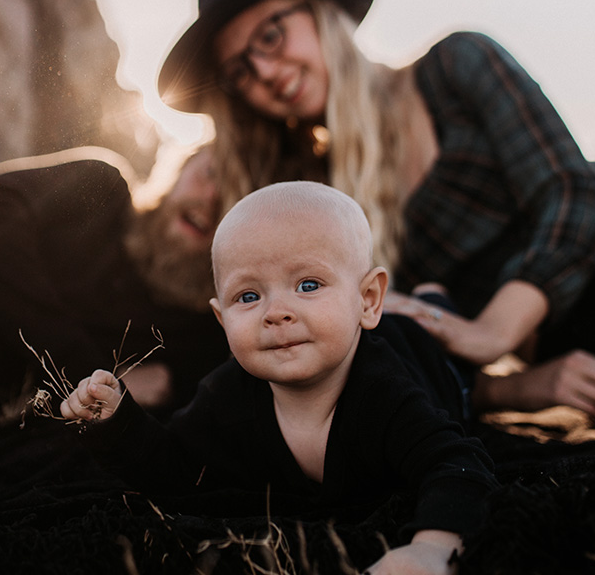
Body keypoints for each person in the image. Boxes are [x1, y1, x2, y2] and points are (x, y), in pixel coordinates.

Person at [155, 0, 595, 429]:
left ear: (319, 12)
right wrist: (510, 388)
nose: (266, 71)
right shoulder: (318, 203)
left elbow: (574, 197)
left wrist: (490, 335)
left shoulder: (454, 65)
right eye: (241, 71)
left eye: (271, 36)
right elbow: (376, 348)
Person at [62, 181, 497, 575]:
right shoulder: (225, 394)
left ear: (367, 300)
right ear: (222, 319)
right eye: (248, 296)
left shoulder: (383, 392)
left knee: (461, 373)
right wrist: (118, 420)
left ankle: (432, 297)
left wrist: (431, 549)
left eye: (308, 285)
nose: (276, 312)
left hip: (426, 358)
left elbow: (456, 466)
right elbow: (175, 467)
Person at [0, 145, 229, 438]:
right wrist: (94, 377)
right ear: (183, 164)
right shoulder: (102, 190)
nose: (212, 198)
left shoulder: (199, 333)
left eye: (234, 198)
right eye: (211, 172)